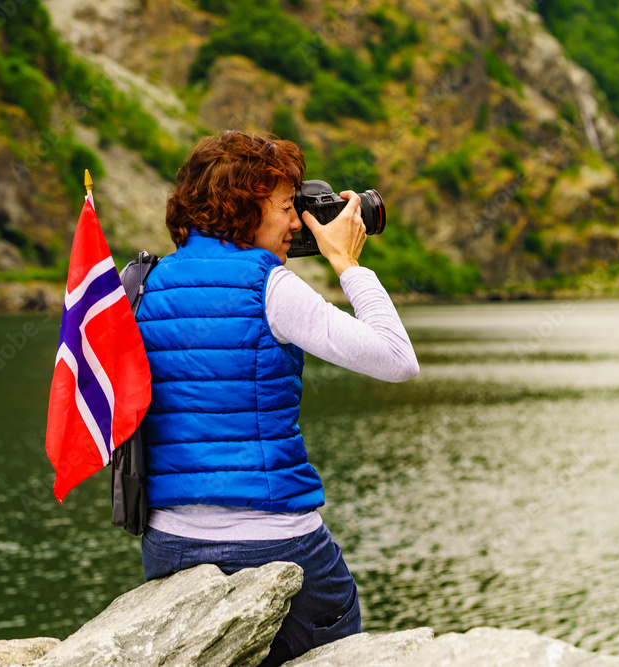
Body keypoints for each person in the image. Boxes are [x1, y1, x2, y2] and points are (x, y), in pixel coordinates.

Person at [134, 130, 419, 665]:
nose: (296, 223)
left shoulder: (146, 283)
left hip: (169, 546)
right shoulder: (270, 287)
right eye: (287, 208)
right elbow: (397, 359)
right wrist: (347, 262)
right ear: (243, 209)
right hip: (276, 546)